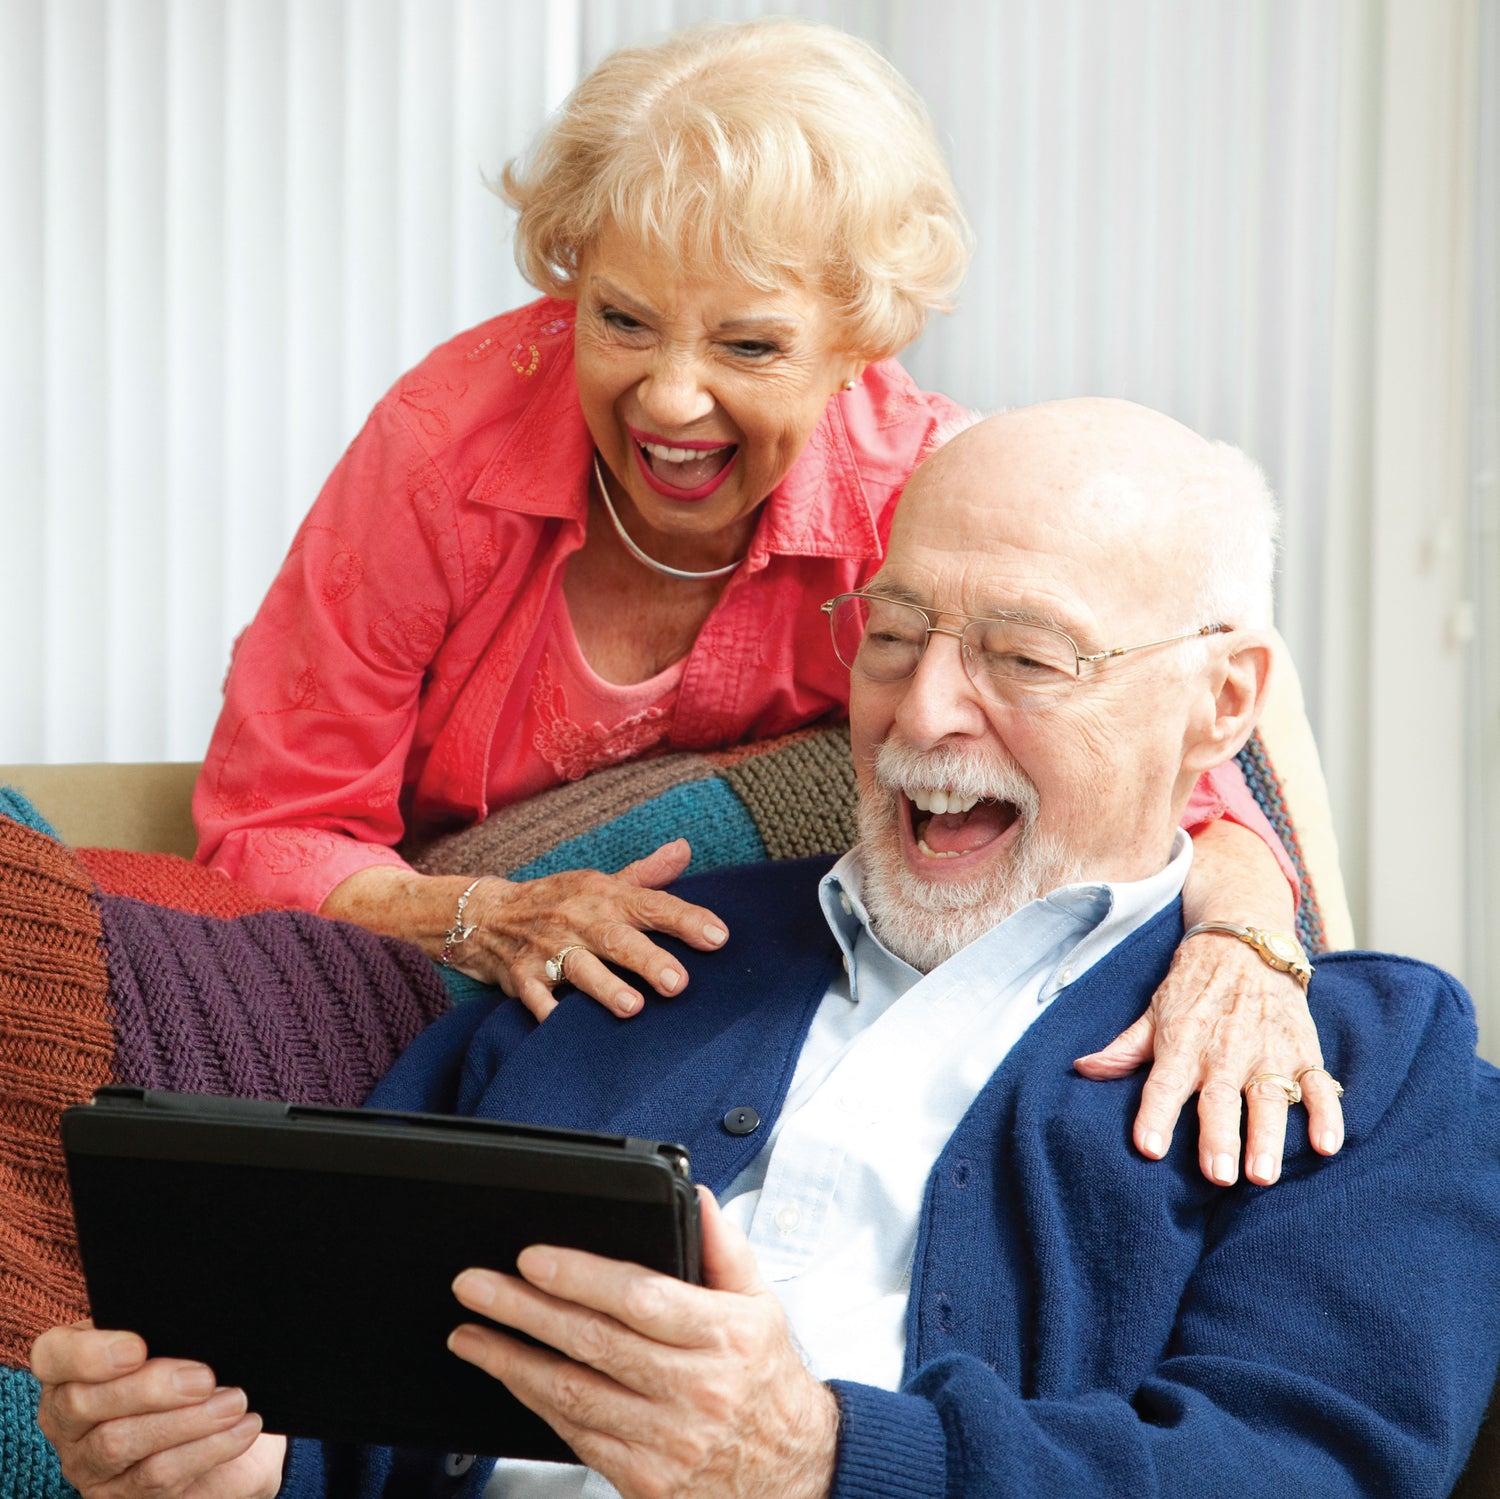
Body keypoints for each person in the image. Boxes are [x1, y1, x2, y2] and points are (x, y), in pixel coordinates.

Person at [33, 400, 1499, 1499]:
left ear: (1223, 699)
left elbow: (1312, 1464)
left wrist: (825, 1458)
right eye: (895, 633)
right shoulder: (641, 953)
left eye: (1025, 656)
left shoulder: (1364, 1058)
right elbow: (359, 1386)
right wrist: (237, 1461)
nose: (924, 713)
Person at [190, 16, 1332, 1187]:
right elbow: (268, 829)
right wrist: (484, 913)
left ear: (858, 346)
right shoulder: (444, 451)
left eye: (747, 344)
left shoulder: (924, 490)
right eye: (621, 319)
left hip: (736, 1002)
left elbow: (1185, 792)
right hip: (467, 979)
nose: (670, 398)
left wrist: (1247, 947)